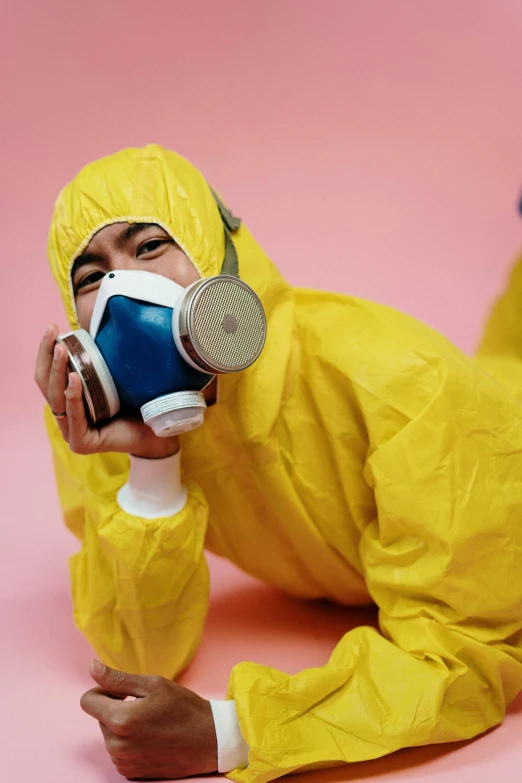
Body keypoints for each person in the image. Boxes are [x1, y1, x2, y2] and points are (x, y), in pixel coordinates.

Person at [35, 144, 522, 783]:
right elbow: (140, 651)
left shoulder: (403, 385)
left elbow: (470, 655)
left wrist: (235, 733)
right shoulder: (102, 422)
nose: (123, 293)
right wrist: (153, 463)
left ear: (224, 251)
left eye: (150, 247)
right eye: (92, 276)